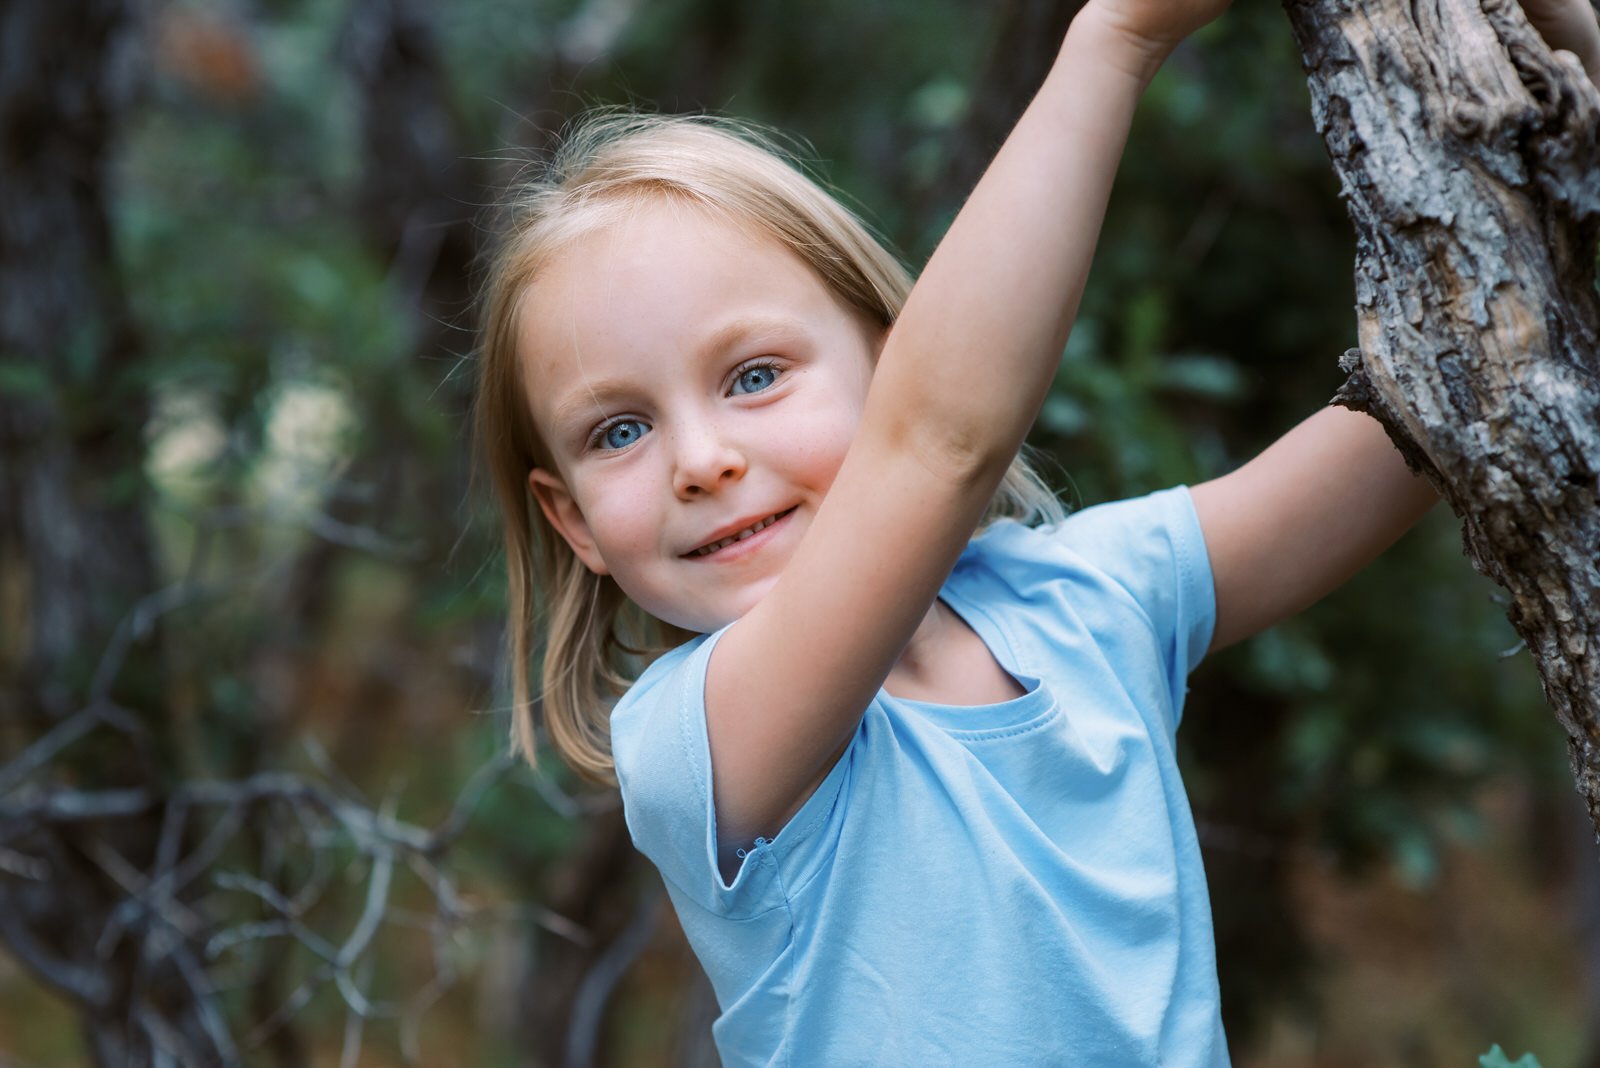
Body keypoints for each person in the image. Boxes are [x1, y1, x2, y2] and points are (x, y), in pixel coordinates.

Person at [472, 0, 1600, 1060]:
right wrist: (1114, 39)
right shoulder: (695, 748)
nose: (700, 462)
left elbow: (1446, 414)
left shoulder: (1083, 598)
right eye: (618, 431)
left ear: (887, 355)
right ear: (569, 520)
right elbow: (935, 449)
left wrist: (1567, 56)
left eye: (755, 374)